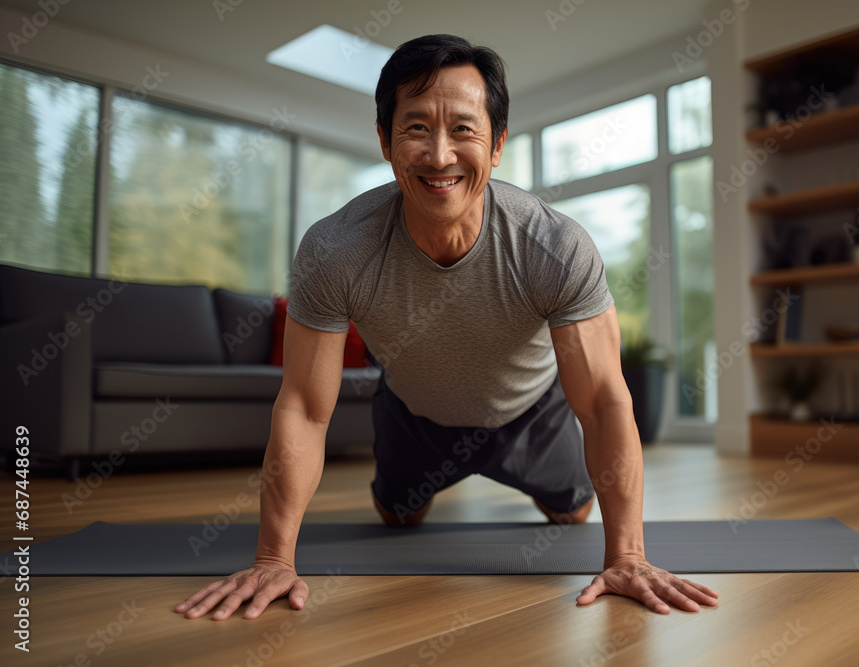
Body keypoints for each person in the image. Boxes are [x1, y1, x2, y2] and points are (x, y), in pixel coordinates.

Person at [175, 34, 720, 621]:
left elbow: (604, 401)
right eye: (415, 129)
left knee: (571, 516)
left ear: (498, 143)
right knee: (397, 519)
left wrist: (628, 555)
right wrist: (273, 559)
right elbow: (305, 408)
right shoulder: (336, 251)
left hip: (532, 415)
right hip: (414, 416)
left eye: (463, 129)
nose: (439, 155)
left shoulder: (554, 248)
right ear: (384, 140)